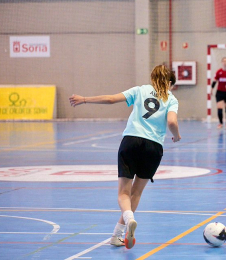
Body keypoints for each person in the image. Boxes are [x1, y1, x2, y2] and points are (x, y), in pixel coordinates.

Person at [69, 65, 181, 249]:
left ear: (153, 78)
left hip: (131, 142)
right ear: (169, 83)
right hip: (153, 148)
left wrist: (84, 99)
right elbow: (171, 121)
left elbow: (111, 99)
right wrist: (176, 135)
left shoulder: (140, 90)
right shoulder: (172, 99)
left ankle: (127, 222)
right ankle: (117, 234)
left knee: (123, 193)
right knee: (136, 193)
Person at [211, 57, 226, 130]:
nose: (224, 62)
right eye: (223, 61)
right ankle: (220, 123)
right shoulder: (219, 72)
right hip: (220, 92)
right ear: (221, 62)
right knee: (220, 109)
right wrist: (211, 89)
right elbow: (214, 81)